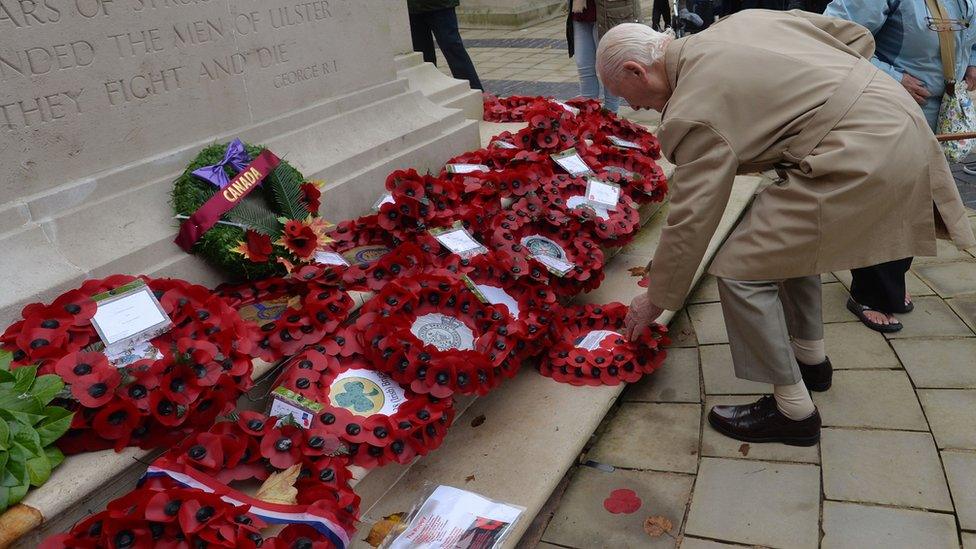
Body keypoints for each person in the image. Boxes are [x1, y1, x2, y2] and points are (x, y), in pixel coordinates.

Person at [597, 13, 975, 445]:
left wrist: (658, 298)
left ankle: (792, 411)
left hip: (862, 153)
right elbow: (853, 36)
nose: (634, 107)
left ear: (635, 70)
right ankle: (811, 360)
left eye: (625, 95)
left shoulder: (691, 111)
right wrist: (826, 95)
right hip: (895, 119)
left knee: (740, 266)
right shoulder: (742, 22)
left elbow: (692, 218)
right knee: (784, 242)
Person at [825, 0, 976, 332]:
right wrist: (892, 76)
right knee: (884, 202)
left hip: (936, 111)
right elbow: (835, 36)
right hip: (887, 108)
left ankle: (890, 280)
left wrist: (971, 61)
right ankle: (868, 292)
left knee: (917, 201)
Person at [566, 0, 639, 112]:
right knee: (584, 67)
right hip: (580, 12)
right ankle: (589, 117)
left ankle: (611, 116)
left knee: (609, 67)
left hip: (609, 12)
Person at [407, 0, 483, 91]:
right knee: (422, 55)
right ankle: (429, 91)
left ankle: (473, 90)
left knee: (453, 48)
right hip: (411, 8)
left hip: (441, 6)